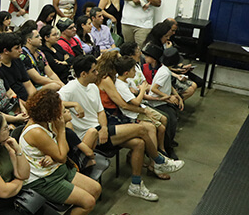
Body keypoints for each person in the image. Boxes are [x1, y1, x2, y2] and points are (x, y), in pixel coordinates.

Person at [58, 55, 184, 202]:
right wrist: (73, 104)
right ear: (83, 74)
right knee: (141, 129)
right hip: (89, 136)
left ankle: (136, 186)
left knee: (139, 143)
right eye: (94, 71)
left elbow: (100, 112)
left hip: (102, 129)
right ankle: (159, 161)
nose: (97, 73)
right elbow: (51, 103)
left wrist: (104, 127)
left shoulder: (92, 86)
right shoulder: (70, 88)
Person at [20, 89, 101, 215]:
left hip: (57, 169)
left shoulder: (46, 122)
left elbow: (60, 151)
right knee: (88, 202)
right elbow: (62, 156)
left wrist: (52, 154)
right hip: (43, 179)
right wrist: (62, 130)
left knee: (96, 189)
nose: (61, 110)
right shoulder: (36, 131)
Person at [96, 52, 171, 179]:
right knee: (149, 128)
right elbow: (123, 105)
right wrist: (143, 110)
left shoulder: (113, 78)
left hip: (117, 112)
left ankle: (154, 163)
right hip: (112, 115)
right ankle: (157, 162)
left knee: (152, 130)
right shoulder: (107, 79)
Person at [0, 32, 35, 102]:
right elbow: (9, 94)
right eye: (17, 48)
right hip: (14, 103)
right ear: (6, 51)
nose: (21, 50)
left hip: (27, 99)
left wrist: (35, 101)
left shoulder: (17, 60)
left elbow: (28, 85)